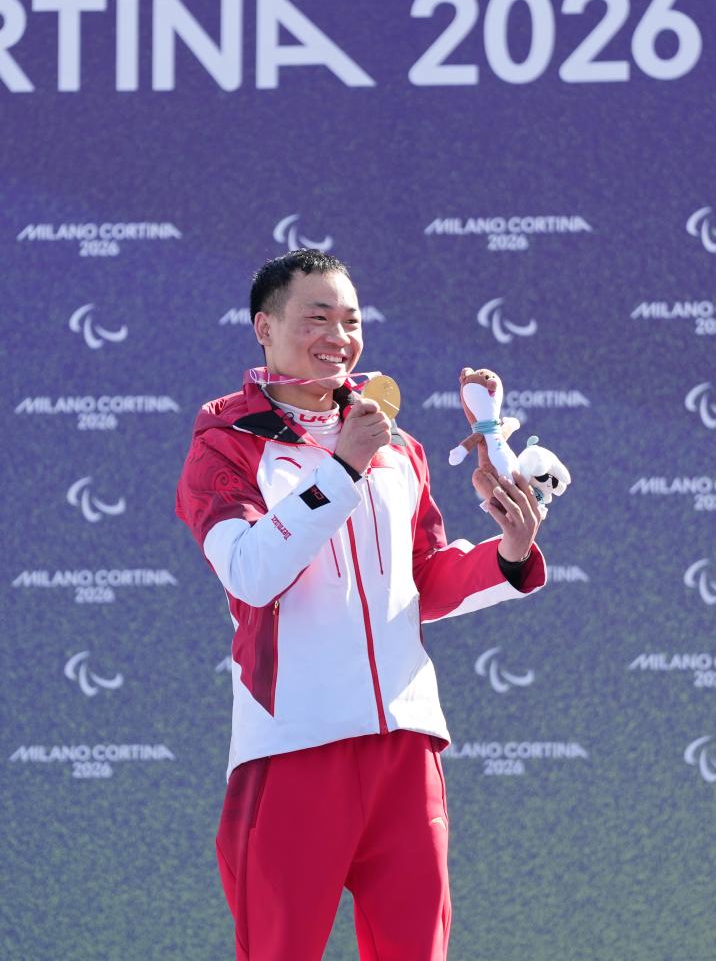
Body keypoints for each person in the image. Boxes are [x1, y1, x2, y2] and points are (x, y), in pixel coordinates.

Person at [175, 248, 545, 961]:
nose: (338, 337)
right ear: (264, 327)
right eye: (317, 318)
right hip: (292, 749)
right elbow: (250, 574)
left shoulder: (397, 447)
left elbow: (424, 581)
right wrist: (342, 467)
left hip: (406, 749)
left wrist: (509, 551)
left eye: (351, 320)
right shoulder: (225, 445)